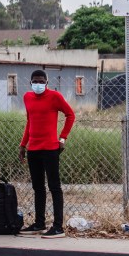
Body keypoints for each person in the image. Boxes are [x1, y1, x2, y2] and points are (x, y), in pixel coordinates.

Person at [19, 69, 76, 239]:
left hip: (51, 149)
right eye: (35, 81)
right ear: (30, 83)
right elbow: (29, 122)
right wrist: (23, 145)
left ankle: (58, 227)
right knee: (38, 188)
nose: (38, 84)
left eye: (41, 81)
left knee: (54, 187)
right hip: (33, 150)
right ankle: (39, 224)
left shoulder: (55, 97)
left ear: (47, 82)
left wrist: (63, 138)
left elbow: (70, 115)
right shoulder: (27, 97)